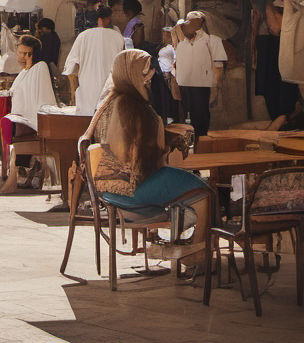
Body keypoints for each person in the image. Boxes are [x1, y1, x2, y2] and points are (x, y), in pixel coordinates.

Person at [81, 49, 211, 250]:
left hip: (109, 188)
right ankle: (197, 251)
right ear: (130, 72)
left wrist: (167, 138)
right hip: (133, 188)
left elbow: (136, 142)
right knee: (205, 192)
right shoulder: (133, 106)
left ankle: (183, 245)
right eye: (146, 70)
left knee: (187, 185)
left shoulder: (113, 100)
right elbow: (148, 151)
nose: (152, 74)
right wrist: (170, 141)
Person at [1, 34, 59, 186]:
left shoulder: (40, 68)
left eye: (24, 53)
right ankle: (27, 169)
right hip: (22, 118)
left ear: (31, 54)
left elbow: (41, 99)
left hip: (33, 122)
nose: (20, 57)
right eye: (19, 53)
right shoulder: (24, 72)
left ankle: (31, 168)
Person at [62, 5, 125, 113]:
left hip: (88, 92)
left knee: (88, 119)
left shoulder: (83, 36)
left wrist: (73, 97)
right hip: (110, 91)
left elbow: (71, 68)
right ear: (107, 18)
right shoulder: (118, 37)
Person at [174, 10, 226, 135]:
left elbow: (218, 64)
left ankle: (201, 139)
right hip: (181, 83)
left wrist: (217, 85)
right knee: (182, 116)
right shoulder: (178, 41)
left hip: (201, 84)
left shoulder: (212, 40)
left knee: (200, 116)